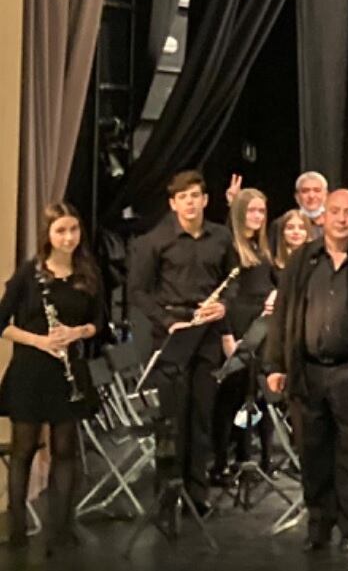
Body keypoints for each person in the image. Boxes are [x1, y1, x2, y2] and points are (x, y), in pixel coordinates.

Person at [264, 189, 348, 553]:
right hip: (307, 371)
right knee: (312, 452)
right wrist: (275, 363)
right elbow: (282, 315)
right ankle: (318, 524)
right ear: (322, 216)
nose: (341, 219)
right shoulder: (301, 261)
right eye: (335, 212)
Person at [127, 170, 237, 515]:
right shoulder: (154, 241)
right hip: (172, 334)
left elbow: (234, 281)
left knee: (202, 415)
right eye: (182, 197)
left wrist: (225, 304)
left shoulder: (221, 237)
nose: (190, 202)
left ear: (205, 200)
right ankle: (167, 494)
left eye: (195, 196)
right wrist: (167, 321)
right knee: (172, 419)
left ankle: (197, 495)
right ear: (173, 203)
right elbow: (138, 292)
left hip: (206, 333)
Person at [0, 203, 102, 551]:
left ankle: (61, 527)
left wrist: (76, 333)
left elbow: (98, 324)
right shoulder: (29, 274)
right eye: (61, 231)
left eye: (73, 229)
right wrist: (41, 341)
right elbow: (2, 325)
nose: (69, 237)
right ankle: (15, 528)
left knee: (65, 450)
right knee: (24, 449)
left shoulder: (87, 273)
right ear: (48, 235)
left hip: (67, 372)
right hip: (30, 371)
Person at [210, 189, 278, 485]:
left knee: (256, 394)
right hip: (238, 324)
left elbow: (271, 279)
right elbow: (223, 293)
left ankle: (255, 458)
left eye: (261, 211)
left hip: (261, 324)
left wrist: (275, 293)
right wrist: (226, 335)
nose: (257, 217)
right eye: (251, 211)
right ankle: (223, 463)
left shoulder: (260, 247)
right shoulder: (229, 246)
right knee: (231, 396)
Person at [274, 171, 328, 248]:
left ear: (326, 195)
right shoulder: (280, 224)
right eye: (305, 191)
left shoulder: (335, 224)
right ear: (297, 197)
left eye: (317, 190)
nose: (311, 196)